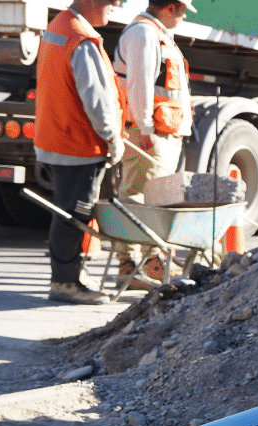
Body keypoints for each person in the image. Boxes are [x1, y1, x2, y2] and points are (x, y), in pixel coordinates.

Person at [34, 0, 125, 305]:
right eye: (112, 3)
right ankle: (65, 283)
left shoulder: (60, 26)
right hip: (78, 143)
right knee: (74, 216)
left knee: (68, 213)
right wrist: (113, 138)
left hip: (59, 137)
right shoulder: (81, 40)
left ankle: (70, 276)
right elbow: (97, 100)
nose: (115, 8)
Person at [112, 0, 196, 291]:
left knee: (153, 201)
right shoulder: (143, 35)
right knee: (138, 199)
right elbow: (139, 84)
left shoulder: (155, 35)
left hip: (161, 132)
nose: (184, 17)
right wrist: (145, 129)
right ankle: (132, 266)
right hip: (150, 134)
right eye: (184, 11)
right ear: (170, 8)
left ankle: (149, 261)